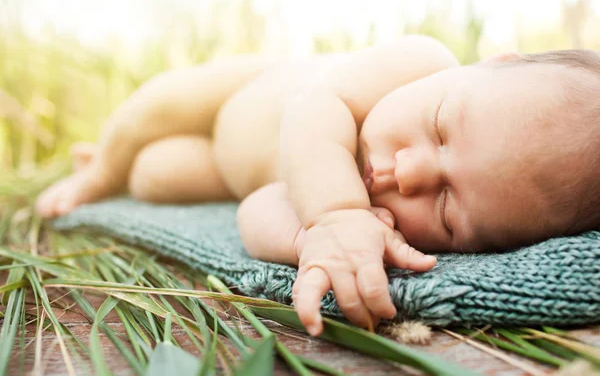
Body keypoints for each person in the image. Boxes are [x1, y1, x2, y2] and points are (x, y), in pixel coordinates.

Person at [35, 35, 600, 336]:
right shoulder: (418, 62)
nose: (409, 173)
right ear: (489, 63)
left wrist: (312, 240)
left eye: (449, 210)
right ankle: (101, 166)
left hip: (226, 167)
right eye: (440, 124)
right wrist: (333, 212)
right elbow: (316, 106)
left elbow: (256, 209)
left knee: (154, 176)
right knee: (157, 105)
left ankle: (124, 168)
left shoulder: (378, 225)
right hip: (248, 90)